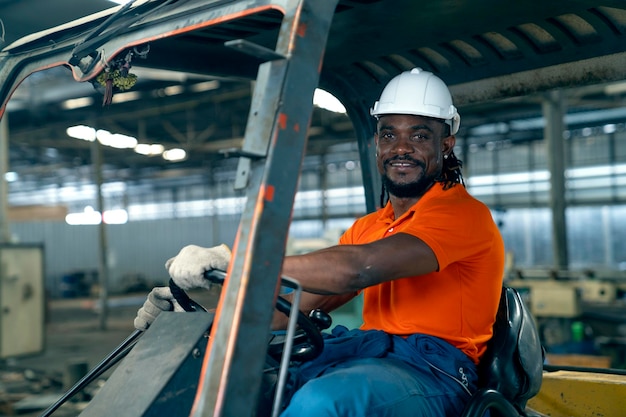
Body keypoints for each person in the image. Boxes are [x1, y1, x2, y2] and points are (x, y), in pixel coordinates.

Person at [135, 67, 505, 416]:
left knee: (323, 402)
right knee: (242, 385)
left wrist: (237, 261)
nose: (401, 147)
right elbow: (289, 311)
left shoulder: (463, 215)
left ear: (446, 144)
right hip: (370, 355)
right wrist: (199, 325)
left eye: (420, 135)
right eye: (389, 134)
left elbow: (356, 270)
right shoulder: (370, 227)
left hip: (434, 372)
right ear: (377, 143)